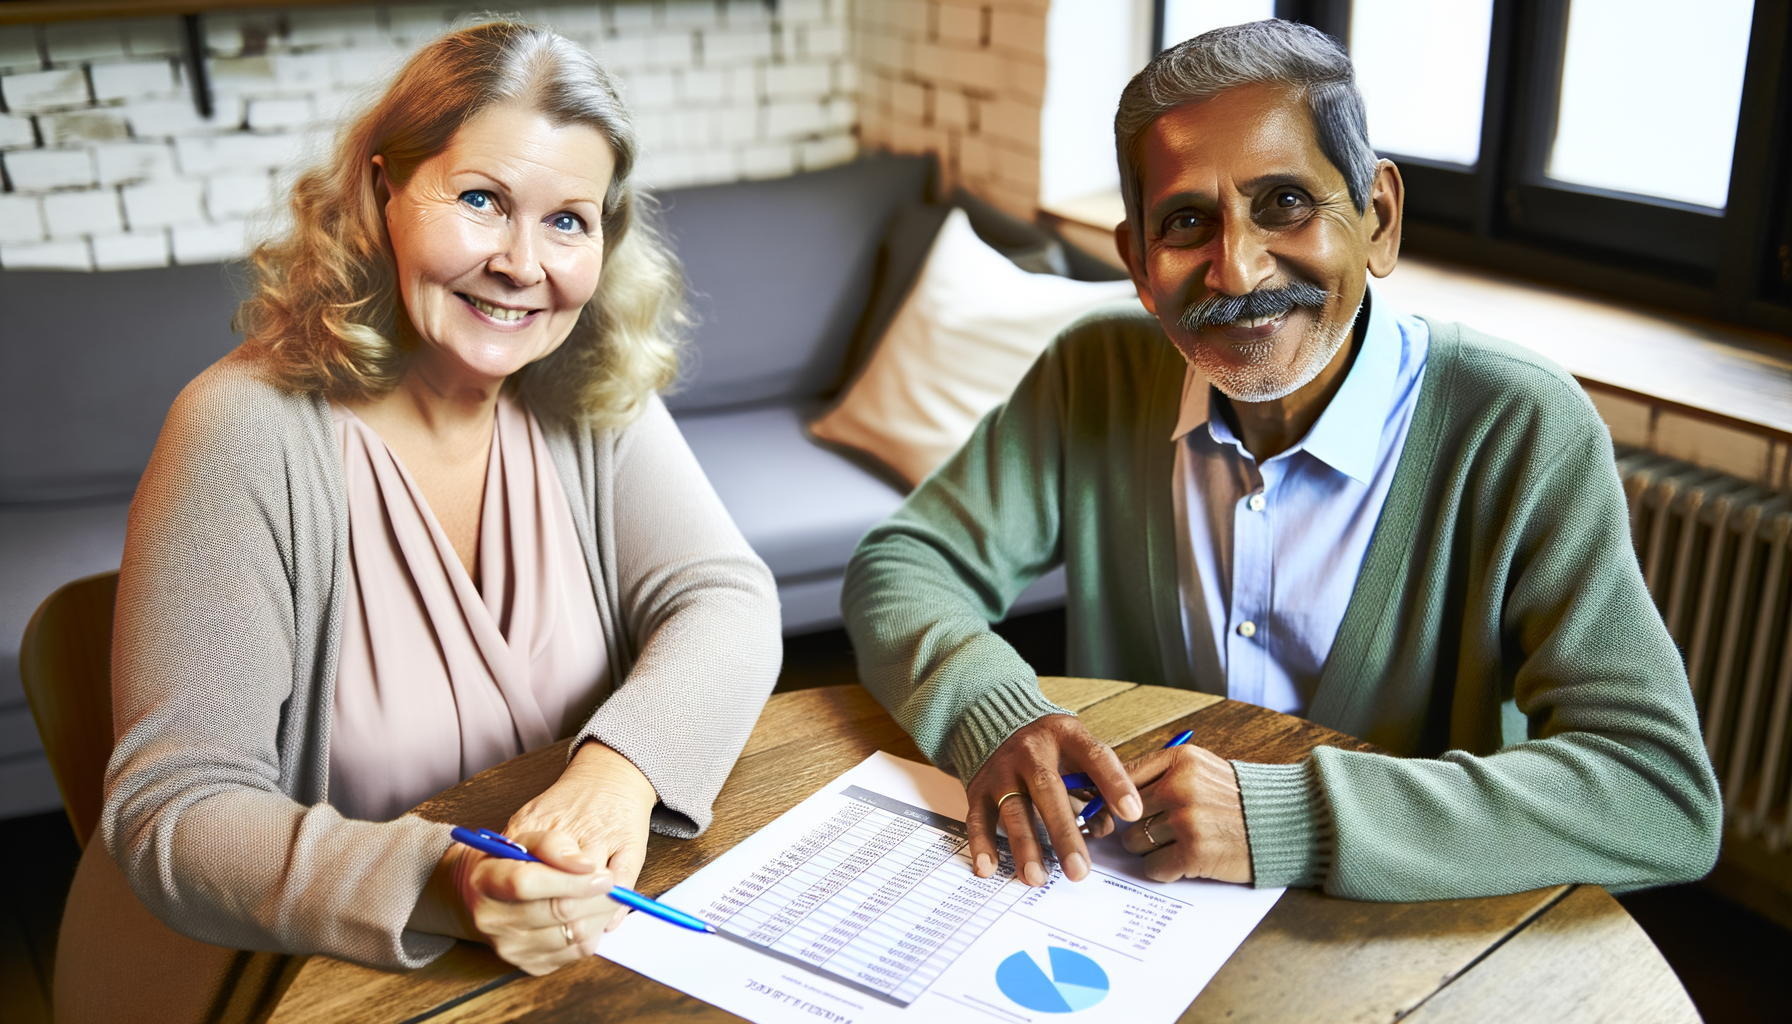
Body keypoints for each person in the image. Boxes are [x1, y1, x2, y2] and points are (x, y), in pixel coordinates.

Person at [842, 20, 1720, 901]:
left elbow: (1659, 793)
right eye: (1187, 222)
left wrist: (1282, 817)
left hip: (1395, 930)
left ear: (1378, 218)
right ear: (1140, 267)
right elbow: (904, 565)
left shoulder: (1518, 425)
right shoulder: (1094, 371)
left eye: (1286, 205)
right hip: (1130, 903)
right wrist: (994, 713)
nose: (1238, 268)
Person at [55, 21, 781, 1023]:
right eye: (481, 199)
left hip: (537, 956)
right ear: (384, 190)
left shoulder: (581, 385)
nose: (524, 263)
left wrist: (620, 772)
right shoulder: (241, 430)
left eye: (567, 219)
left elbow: (725, 597)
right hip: (275, 977)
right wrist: (441, 879)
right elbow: (172, 814)